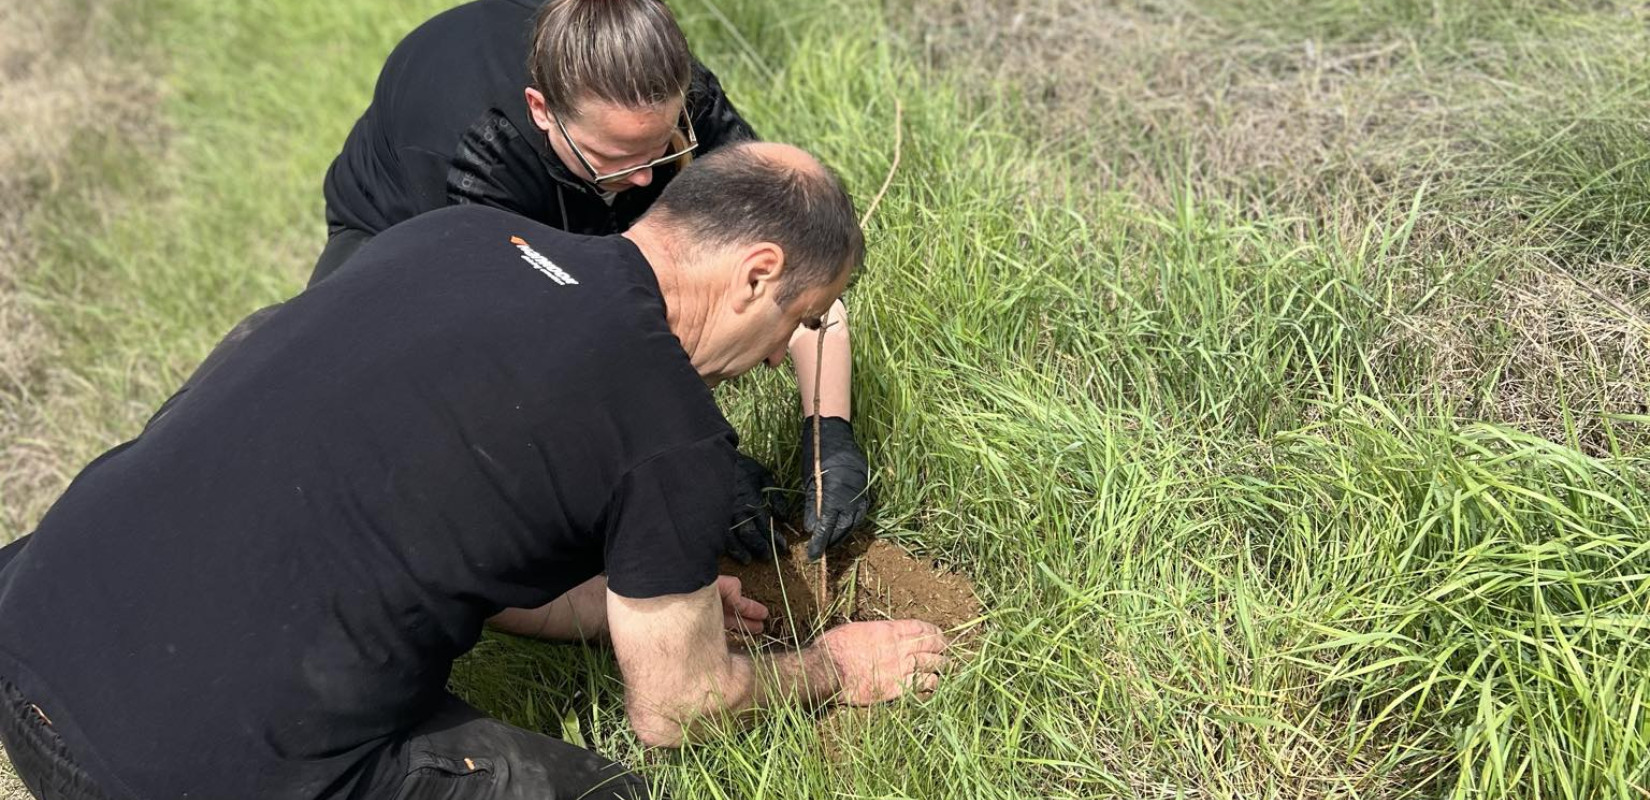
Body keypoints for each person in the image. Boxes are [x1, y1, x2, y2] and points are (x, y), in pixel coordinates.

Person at [0, 143, 948, 800]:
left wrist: (611, 614)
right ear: (756, 273)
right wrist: (830, 666)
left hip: (28, 626)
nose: (778, 346)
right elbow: (678, 712)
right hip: (174, 773)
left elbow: (446, 516)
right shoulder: (671, 428)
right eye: (794, 319)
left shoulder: (456, 236)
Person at [197, 0, 870, 563]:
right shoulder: (472, 151)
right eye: (617, 160)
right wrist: (696, 454)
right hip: (402, 227)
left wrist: (828, 435)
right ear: (542, 110)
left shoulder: (674, 105)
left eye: (661, 149)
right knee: (366, 391)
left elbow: (790, 259)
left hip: (570, 182)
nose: (647, 179)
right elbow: (544, 356)